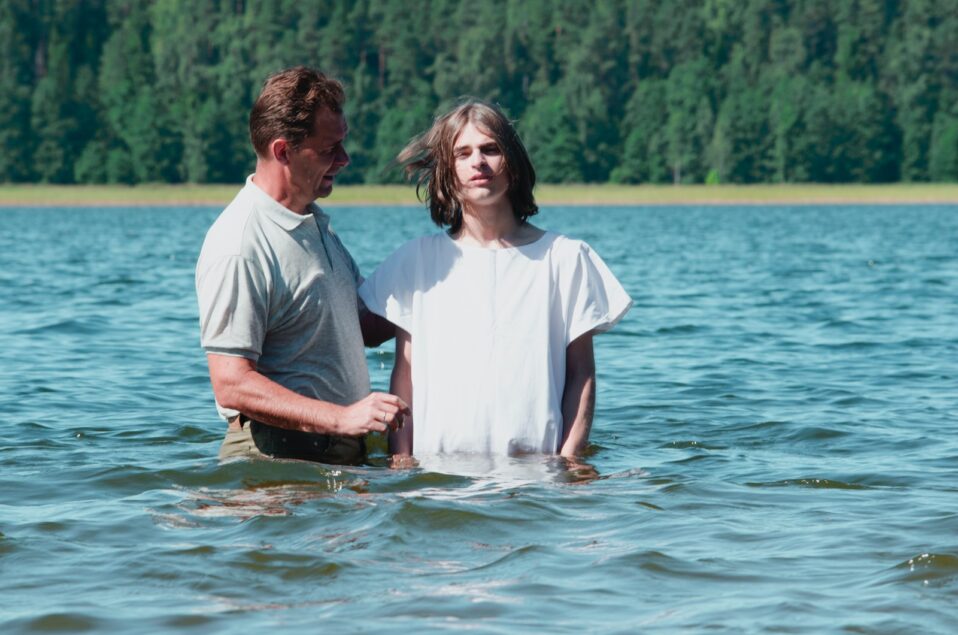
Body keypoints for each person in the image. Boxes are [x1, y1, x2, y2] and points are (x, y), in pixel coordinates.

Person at [358, 100, 631, 464]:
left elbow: (582, 375)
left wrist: (569, 462)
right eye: (463, 153)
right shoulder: (415, 261)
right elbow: (404, 376)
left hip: (538, 478)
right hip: (438, 479)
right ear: (447, 170)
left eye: (491, 149)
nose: (478, 163)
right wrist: (401, 460)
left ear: (513, 162)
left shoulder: (565, 259)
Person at [195, 66, 407, 465]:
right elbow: (231, 384)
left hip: (336, 454)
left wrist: (434, 280)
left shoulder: (312, 224)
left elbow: (364, 326)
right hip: (276, 461)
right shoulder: (241, 243)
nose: (344, 160)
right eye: (329, 149)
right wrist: (343, 418)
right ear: (282, 151)